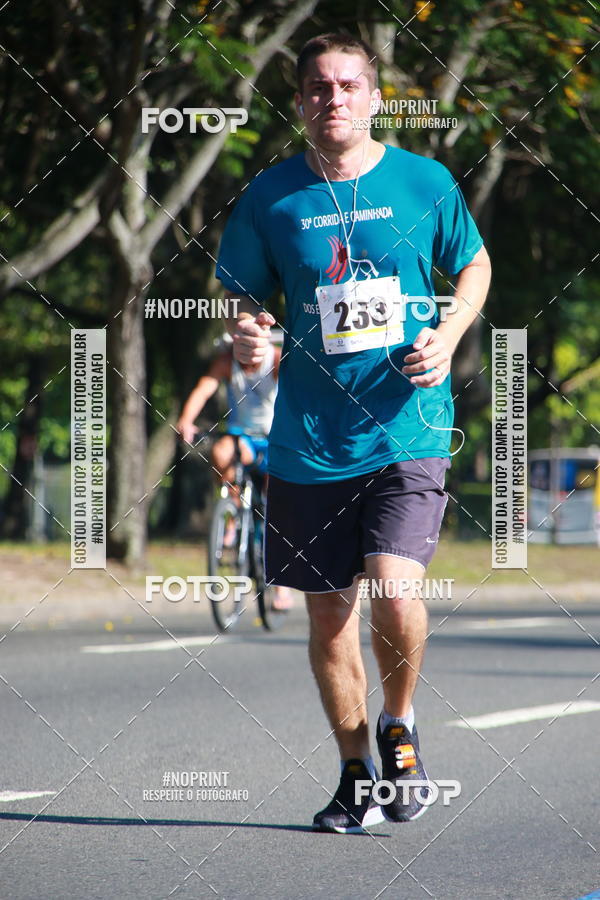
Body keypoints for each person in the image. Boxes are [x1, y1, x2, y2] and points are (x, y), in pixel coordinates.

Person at [215, 32, 491, 833]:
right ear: (299, 100)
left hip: (407, 425)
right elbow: (246, 298)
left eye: (348, 85)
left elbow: (472, 264)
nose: (332, 99)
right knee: (329, 617)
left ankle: (399, 724)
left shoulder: (423, 182)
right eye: (317, 88)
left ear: (375, 96)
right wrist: (249, 334)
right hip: (309, 438)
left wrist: (449, 332)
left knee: (394, 582)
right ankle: (353, 773)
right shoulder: (271, 196)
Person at [176, 334, 293, 611]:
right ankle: (231, 512)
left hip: (274, 436)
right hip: (243, 436)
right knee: (221, 452)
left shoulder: (275, 359)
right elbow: (205, 388)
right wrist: (186, 420)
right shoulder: (227, 362)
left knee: (277, 506)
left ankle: (282, 586)